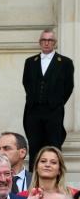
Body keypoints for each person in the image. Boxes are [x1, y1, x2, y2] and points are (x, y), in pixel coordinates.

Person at [22, 28, 75, 166]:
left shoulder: (65, 62)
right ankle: (33, 179)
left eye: (50, 40)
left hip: (53, 111)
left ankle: (56, 181)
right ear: (39, 42)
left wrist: (56, 101)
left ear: (55, 42)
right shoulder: (30, 62)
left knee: (54, 146)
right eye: (44, 40)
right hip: (33, 110)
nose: (46, 43)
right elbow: (26, 83)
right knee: (34, 146)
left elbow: (69, 86)